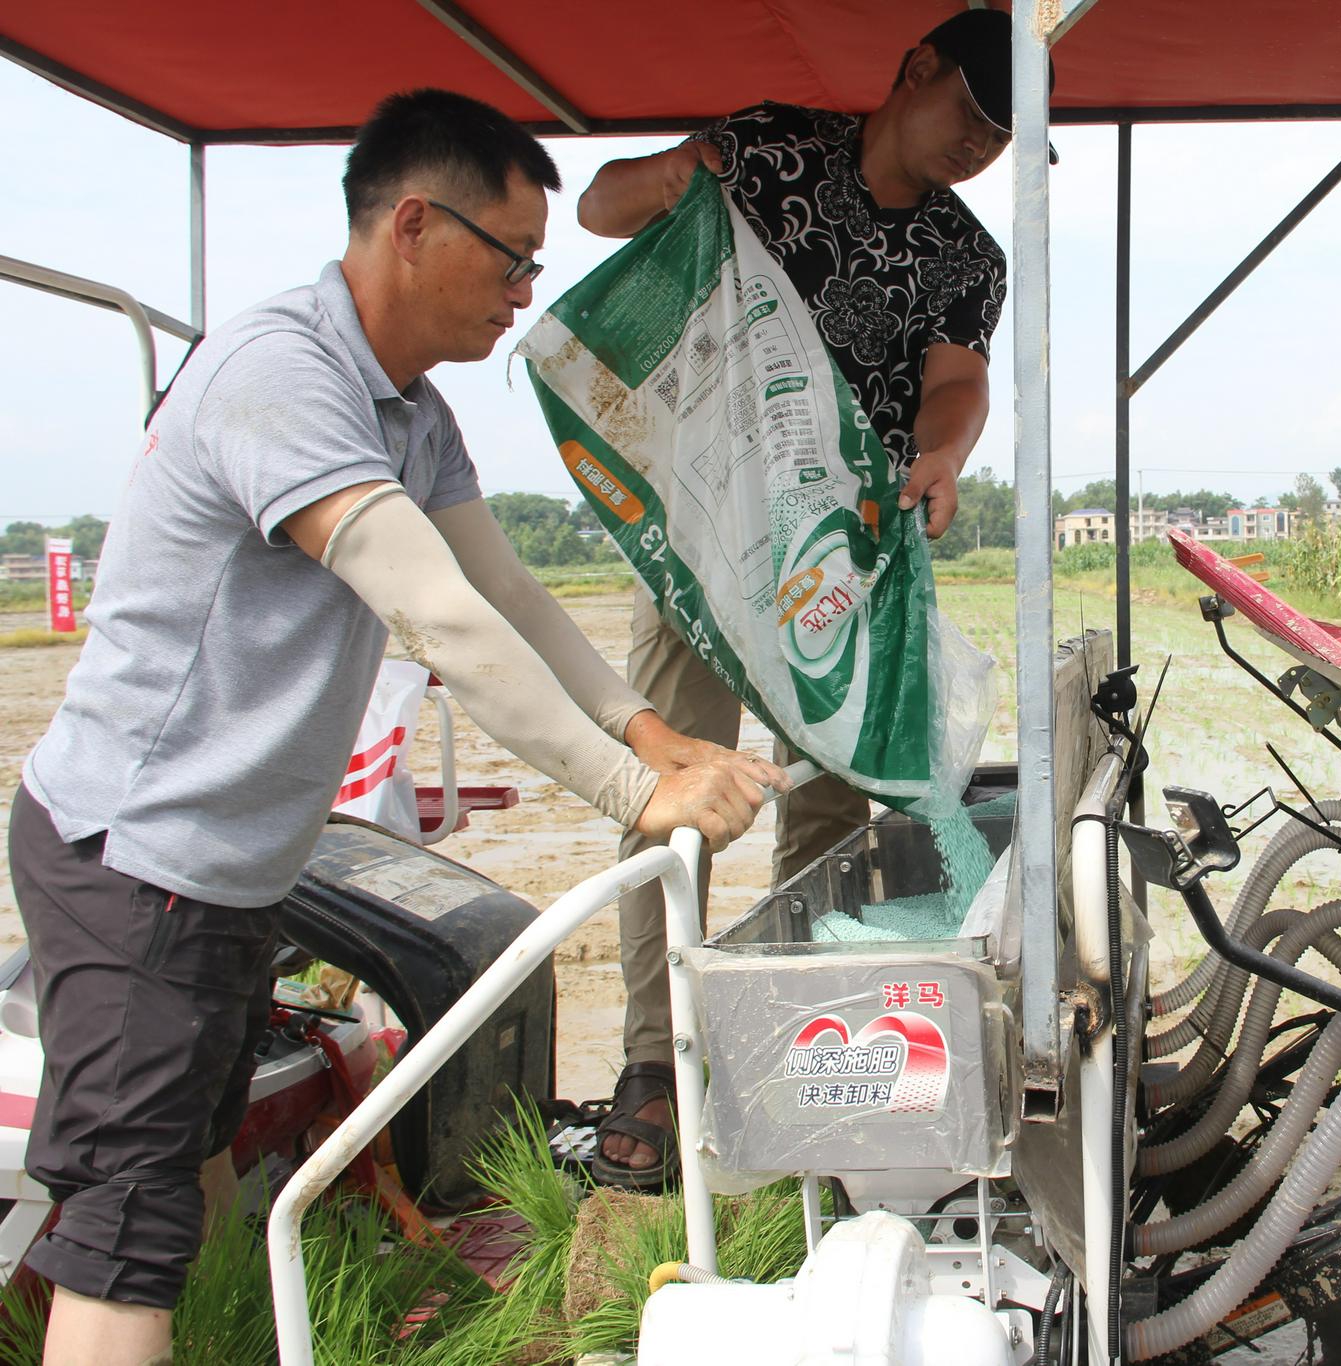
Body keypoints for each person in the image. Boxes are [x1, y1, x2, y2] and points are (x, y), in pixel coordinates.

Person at [9, 88, 785, 1366]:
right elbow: (437, 617)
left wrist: (651, 732)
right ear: (414, 225)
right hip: (132, 859)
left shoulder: (412, 413)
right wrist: (623, 793)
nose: (524, 291)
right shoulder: (280, 375)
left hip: (233, 869)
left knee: (198, 1187)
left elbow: (508, 592)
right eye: (511, 256)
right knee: (122, 1238)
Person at [574, 8, 1032, 1183]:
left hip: (847, 559)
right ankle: (651, 1059)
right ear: (913, 68)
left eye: (1002, 136)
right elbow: (602, 209)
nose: (979, 148)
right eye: (972, 117)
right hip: (705, 540)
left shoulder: (964, 255)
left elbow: (956, 380)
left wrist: (940, 454)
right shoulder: (773, 151)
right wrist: (680, 173)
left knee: (830, 806)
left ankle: (793, 1026)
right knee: (672, 787)